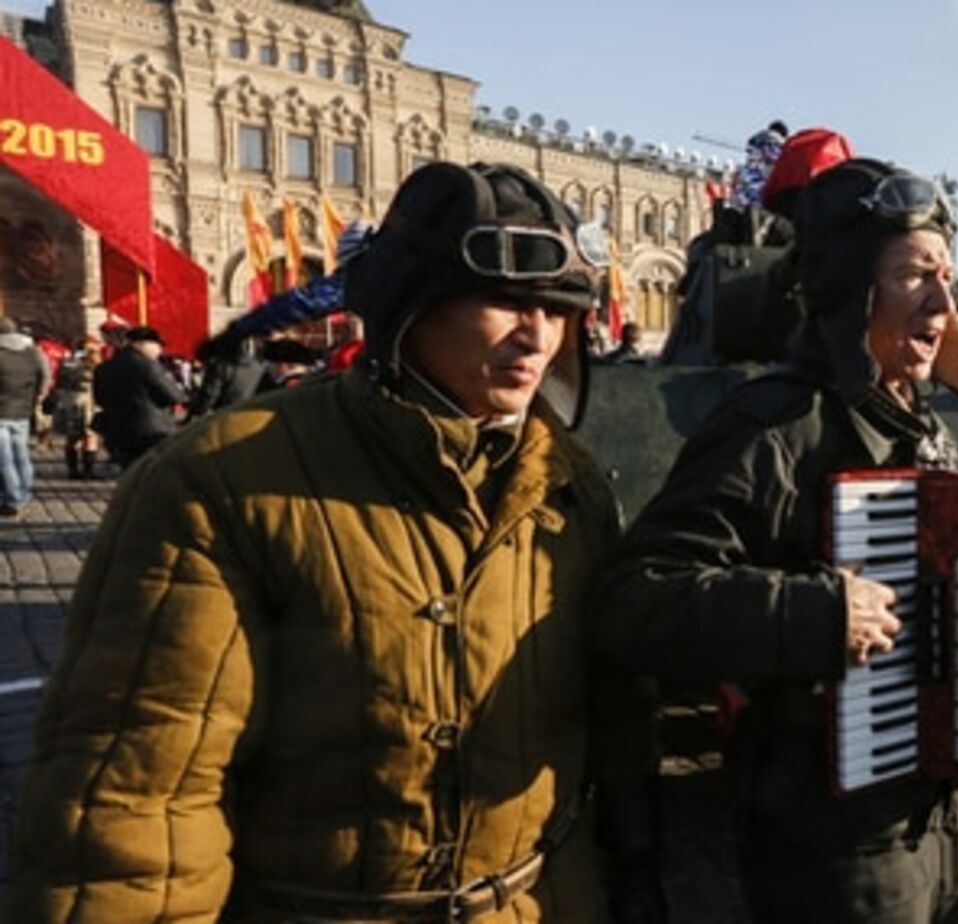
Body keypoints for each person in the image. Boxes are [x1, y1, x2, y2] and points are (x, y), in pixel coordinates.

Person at [9, 162, 663, 922]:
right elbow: (140, 795)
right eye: (504, 300)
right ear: (407, 304)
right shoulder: (223, 481)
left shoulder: (567, 484)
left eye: (557, 308)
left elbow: (615, 721)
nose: (537, 334)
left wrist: (635, 876)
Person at [592, 160, 958, 923]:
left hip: (933, 808)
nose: (944, 303)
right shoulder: (774, 424)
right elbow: (634, 598)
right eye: (916, 275)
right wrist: (810, 617)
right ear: (854, 289)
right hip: (827, 823)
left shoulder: (916, 417)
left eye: (948, 277)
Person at [88, 325, 186, 470]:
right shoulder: (149, 366)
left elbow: (99, 398)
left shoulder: (104, 367)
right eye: (158, 346)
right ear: (143, 344)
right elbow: (173, 395)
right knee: (153, 474)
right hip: (151, 431)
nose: (159, 351)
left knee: (129, 473)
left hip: (116, 430)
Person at [0, 316, 50, 516]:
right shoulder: (33, 351)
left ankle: (14, 498)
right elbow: (45, 375)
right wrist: (39, 395)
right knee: (21, 454)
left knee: (4, 458)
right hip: (23, 407)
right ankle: (24, 493)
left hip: (1, 408)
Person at [49, 340, 101, 479]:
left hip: (69, 401)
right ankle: (88, 471)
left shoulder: (67, 363)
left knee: (72, 437)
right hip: (88, 401)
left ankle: (73, 470)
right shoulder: (93, 366)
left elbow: (59, 379)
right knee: (90, 436)